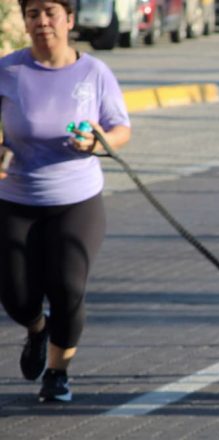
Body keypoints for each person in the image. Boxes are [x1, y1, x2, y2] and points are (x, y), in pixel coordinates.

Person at [0, 0, 131, 402]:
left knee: (67, 288)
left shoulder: (93, 72)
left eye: (51, 12)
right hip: (15, 197)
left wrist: (95, 141)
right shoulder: (8, 70)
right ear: (25, 21)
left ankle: (57, 373)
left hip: (76, 200)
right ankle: (37, 329)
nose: (42, 22)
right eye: (34, 13)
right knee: (18, 298)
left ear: (69, 19)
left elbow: (121, 127)